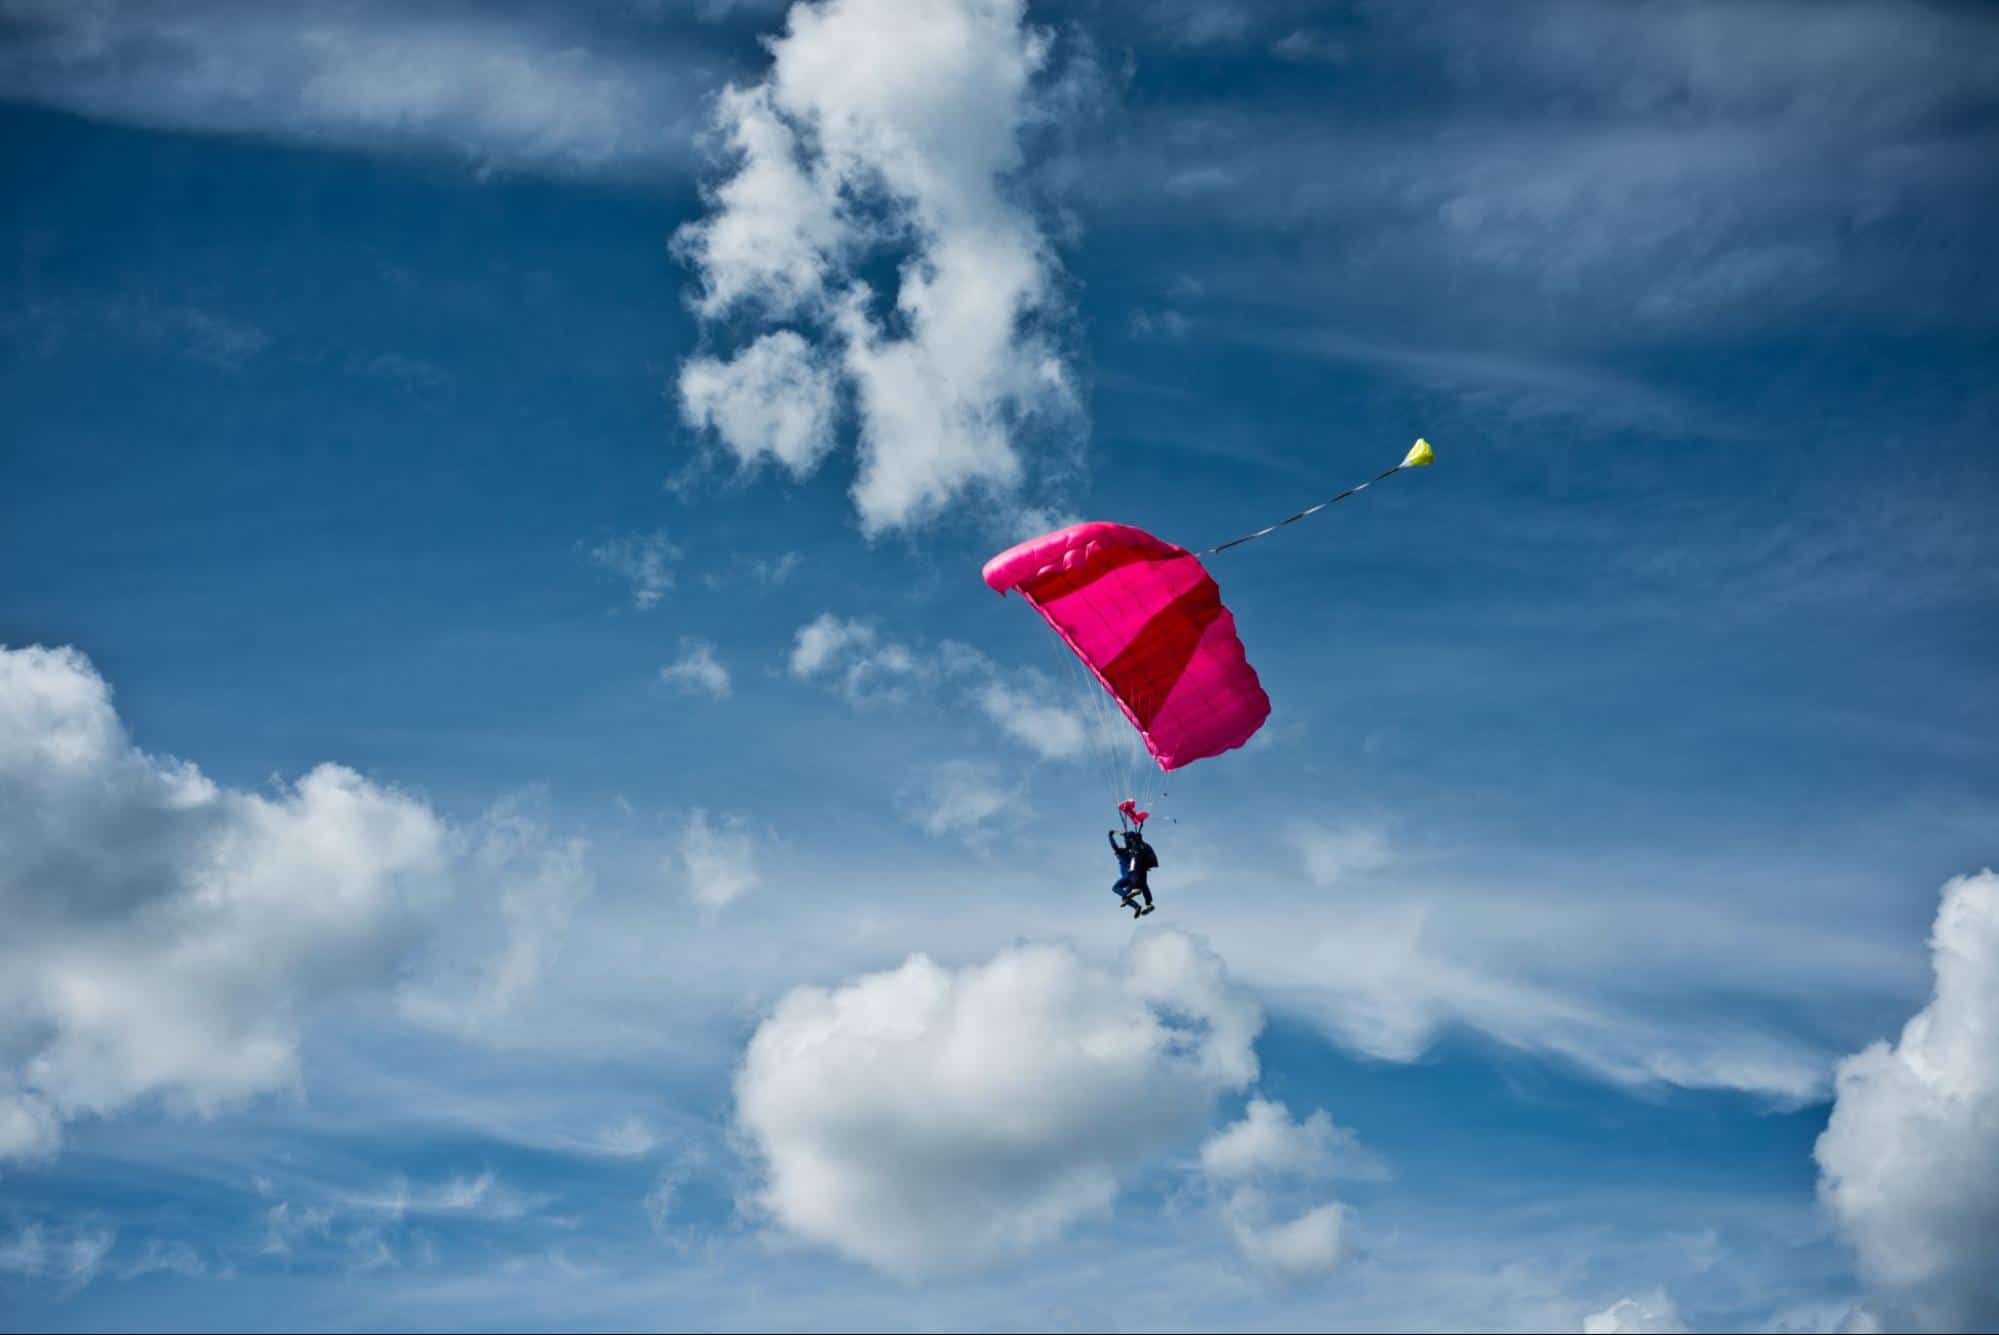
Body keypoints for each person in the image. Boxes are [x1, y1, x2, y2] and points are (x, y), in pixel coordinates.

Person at [1109, 828, 1157, 917]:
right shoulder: (1132, 851)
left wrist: (1110, 836)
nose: (1116, 856)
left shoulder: (1123, 853)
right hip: (1135, 878)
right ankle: (1141, 905)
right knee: (1142, 886)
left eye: (1116, 855)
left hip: (1129, 877)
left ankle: (1129, 899)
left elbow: (1115, 847)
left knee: (1115, 888)